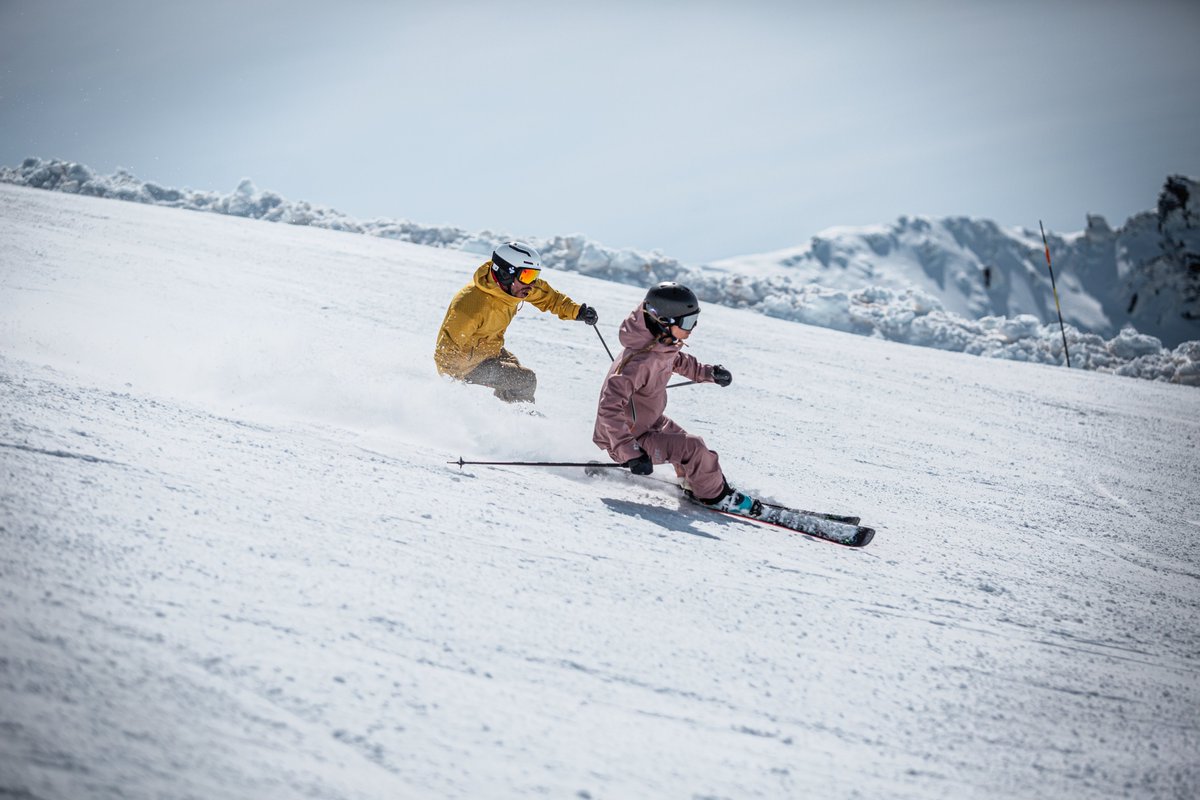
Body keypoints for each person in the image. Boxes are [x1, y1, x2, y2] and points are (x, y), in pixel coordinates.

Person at [592, 281, 757, 514]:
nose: (693, 328)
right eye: (688, 322)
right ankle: (716, 497)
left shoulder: (658, 345)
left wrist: (708, 373)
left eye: (695, 320)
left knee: (686, 442)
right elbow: (608, 408)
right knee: (693, 448)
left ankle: (694, 484)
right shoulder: (639, 362)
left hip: (648, 422)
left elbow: (676, 360)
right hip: (628, 438)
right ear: (664, 320)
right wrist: (630, 451)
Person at [434, 242, 599, 403]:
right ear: (505, 274)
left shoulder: (514, 288)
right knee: (525, 380)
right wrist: (454, 396)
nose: (531, 284)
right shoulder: (471, 305)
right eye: (527, 276)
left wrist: (578, 312)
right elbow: (445, 352)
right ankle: (518, 417)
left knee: (514, 367)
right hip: (466, 365)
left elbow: (549, 297)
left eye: (534, 276)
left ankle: (504, 411)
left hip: (487, 349)